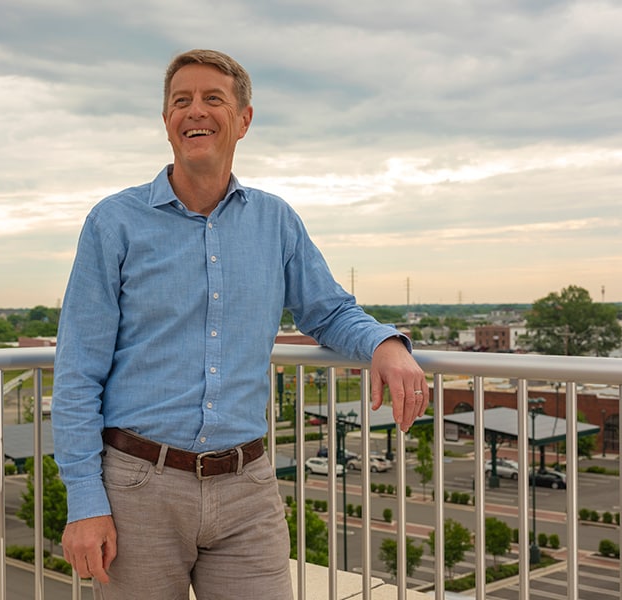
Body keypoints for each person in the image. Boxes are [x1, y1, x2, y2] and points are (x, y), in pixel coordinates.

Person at [51, 48, 429, 599]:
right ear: (166, 120)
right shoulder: (114, 222)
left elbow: (327, 309)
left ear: (244, 120)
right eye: (181, 101)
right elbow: (77, 369)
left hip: (247, 489)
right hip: (138, 488)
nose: (194, 112)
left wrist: (387, 344)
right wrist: (85, 500)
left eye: (213, 99)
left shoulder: (276, 220)